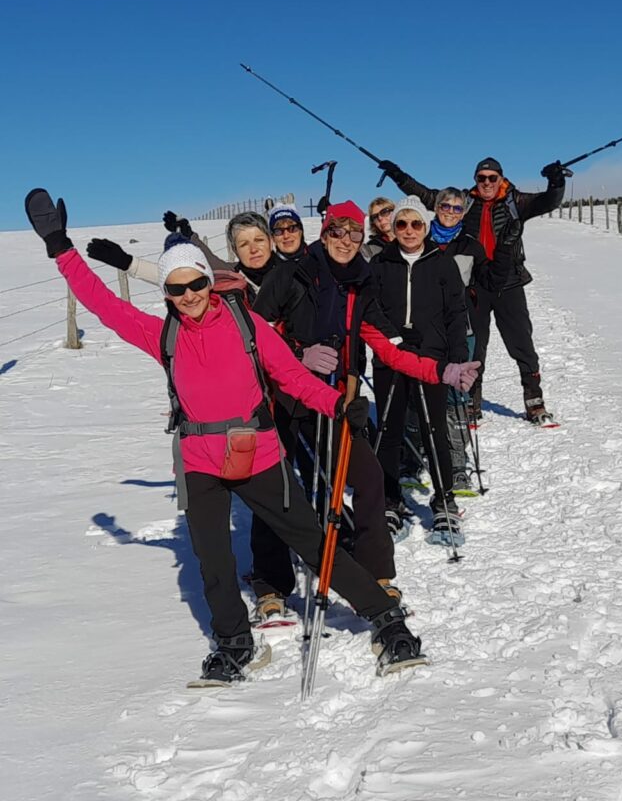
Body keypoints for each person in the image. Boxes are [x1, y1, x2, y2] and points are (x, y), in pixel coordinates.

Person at [25, 188, 423, 681]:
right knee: (212, 561)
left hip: (259, 454)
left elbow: (291, 377)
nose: (188, 295)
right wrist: (61, 248)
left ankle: (386, 619)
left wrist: (336, 405)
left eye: (196, 283)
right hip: (200, 462)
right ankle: (235, 643)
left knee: (315, 543)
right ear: (166, 293)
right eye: (176, 289)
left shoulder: (247, 325)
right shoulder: (162, 335)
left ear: (208, 281)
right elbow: (102, 304)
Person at [251, 200, 479, 616]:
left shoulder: (360, 283)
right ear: (324, 234)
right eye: (337, 232)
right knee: (276, 486)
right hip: (283, 397)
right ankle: (271, 587)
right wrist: (297, 354)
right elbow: (254, 335)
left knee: (369, 477)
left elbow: (388, 346)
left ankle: (378, 575)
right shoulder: (289, 275)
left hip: (335, 398)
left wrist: (442, 371)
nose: (346, 241)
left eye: (354, 233)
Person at [376, 156, 567, 424]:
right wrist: (399, 175)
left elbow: (549, 201)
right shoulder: (465, 201)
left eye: (492, 178)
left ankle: (534, 401)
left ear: (501, 178)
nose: (486, 182)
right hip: (476, 283)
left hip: (509, 282)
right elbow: (426, 195)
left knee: (521, 343)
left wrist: (556, 182)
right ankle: (471, 403)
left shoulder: (516, 200)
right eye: (481, 178)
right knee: (475, 345)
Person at [370, 195, 469, 546]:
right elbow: (371, 308)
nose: (409, 230)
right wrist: (395, 338)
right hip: (391, 356)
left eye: (415, 224)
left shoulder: (442, 264)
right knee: (389, 429)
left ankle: (444, 500)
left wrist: (457, 356)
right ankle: (391, 500)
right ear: (394, 228)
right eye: (401, 223)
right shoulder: (380, 263)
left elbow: (456, 313)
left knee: (433, 428)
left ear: (426, 227)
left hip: (431, 358)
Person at [428, 187, 492, 494]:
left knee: (456, 397)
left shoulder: (470, 246)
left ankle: (457, 464)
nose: (450, 212)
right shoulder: (421, 239)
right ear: (436, 207)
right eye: (446, 206)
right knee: (424, 395)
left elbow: (487, 284)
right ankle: (420, 456)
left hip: (460, 330)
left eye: (457, 208)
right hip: (427, 330)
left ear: (464, 212)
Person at [87, 210, 278, 306]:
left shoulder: (292, 272)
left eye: (259, 240)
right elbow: (179, 277)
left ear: (271, 241)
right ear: (235, 250)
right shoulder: (230, 277)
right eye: (244, 244)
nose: (253, 249)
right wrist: (128, 263)